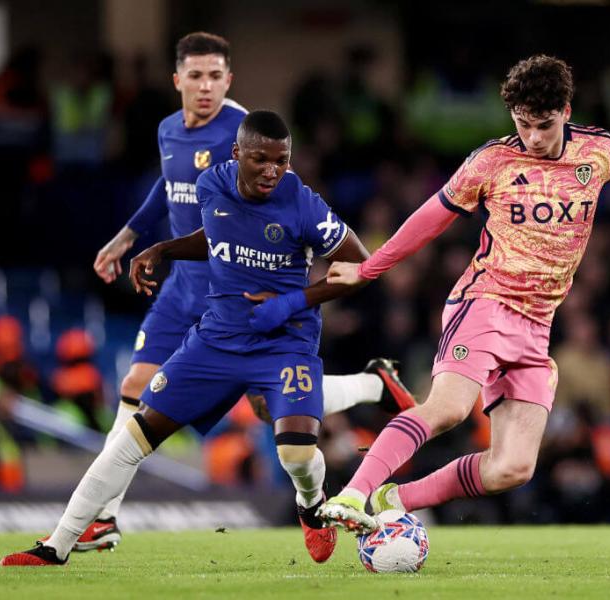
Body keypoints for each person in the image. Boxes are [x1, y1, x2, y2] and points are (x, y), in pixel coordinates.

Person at [317, 54, 610, 533]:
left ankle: (391, 500)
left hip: (537, 325)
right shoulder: (492, 161)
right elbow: (427, 220)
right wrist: (370, 269)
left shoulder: (599, 151)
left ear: (566, 110)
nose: (533, 137)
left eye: (543, 125)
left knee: (513, 468)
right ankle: (352, 494)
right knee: (450, 409)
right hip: (485, 304)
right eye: (523, 124)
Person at [84, 32, 413, 552]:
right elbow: (168, 188)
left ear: (229, 80)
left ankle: (371, 386)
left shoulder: (238, 131)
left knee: (271, 410)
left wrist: (290, 290)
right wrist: (130, 235)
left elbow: (278, 197)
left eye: (216, 75)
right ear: (178, 81)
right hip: (183, 285)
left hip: (230, 286)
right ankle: (103, 517)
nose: (206, 86)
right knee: (137, 383)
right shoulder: (170, 130)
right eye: (196, 76)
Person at [0, 110, 370, 567]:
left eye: (282, 160)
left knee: (296, 452)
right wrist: (163, 248)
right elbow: (215, 235)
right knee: (132, 435)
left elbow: (363, 266)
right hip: (215, 340)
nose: (273, 170)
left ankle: (311, 506)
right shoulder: (212, 184)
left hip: (283, 341)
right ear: (236, 155)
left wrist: (292, 301)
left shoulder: (304, 203)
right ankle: (55, 546)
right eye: (261, 159)